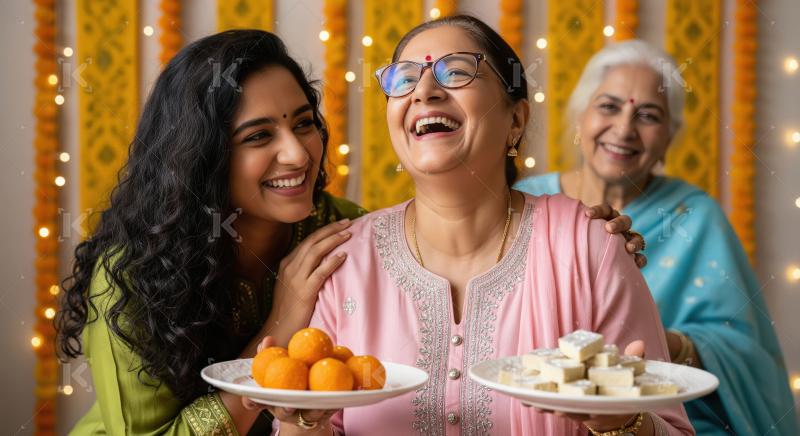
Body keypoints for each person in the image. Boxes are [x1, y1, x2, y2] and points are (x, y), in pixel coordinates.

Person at [55, 29, 638, 435]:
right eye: (259, 136)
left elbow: (449, 220)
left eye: (304, 124)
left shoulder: (339, 231)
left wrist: (583, 238)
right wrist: (282, 325)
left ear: (516, 116)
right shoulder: (133, 276)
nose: (297, 152)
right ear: (201, 157)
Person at [269, 16, 694, 435]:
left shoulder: (587, 247)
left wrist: (625, 421)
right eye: (404, 80)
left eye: (455, 72)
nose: (425, 92)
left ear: (516, 120)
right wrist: (302, 421)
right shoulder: (345, 261)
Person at [515, 39, 798, 435]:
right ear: (581, 117)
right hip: (535, 407)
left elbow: (748, 352)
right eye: (609, 106)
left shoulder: (694, 216)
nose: (625, 128)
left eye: (648, 115)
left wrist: (663, 345)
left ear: (668, 137)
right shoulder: (530, 201)